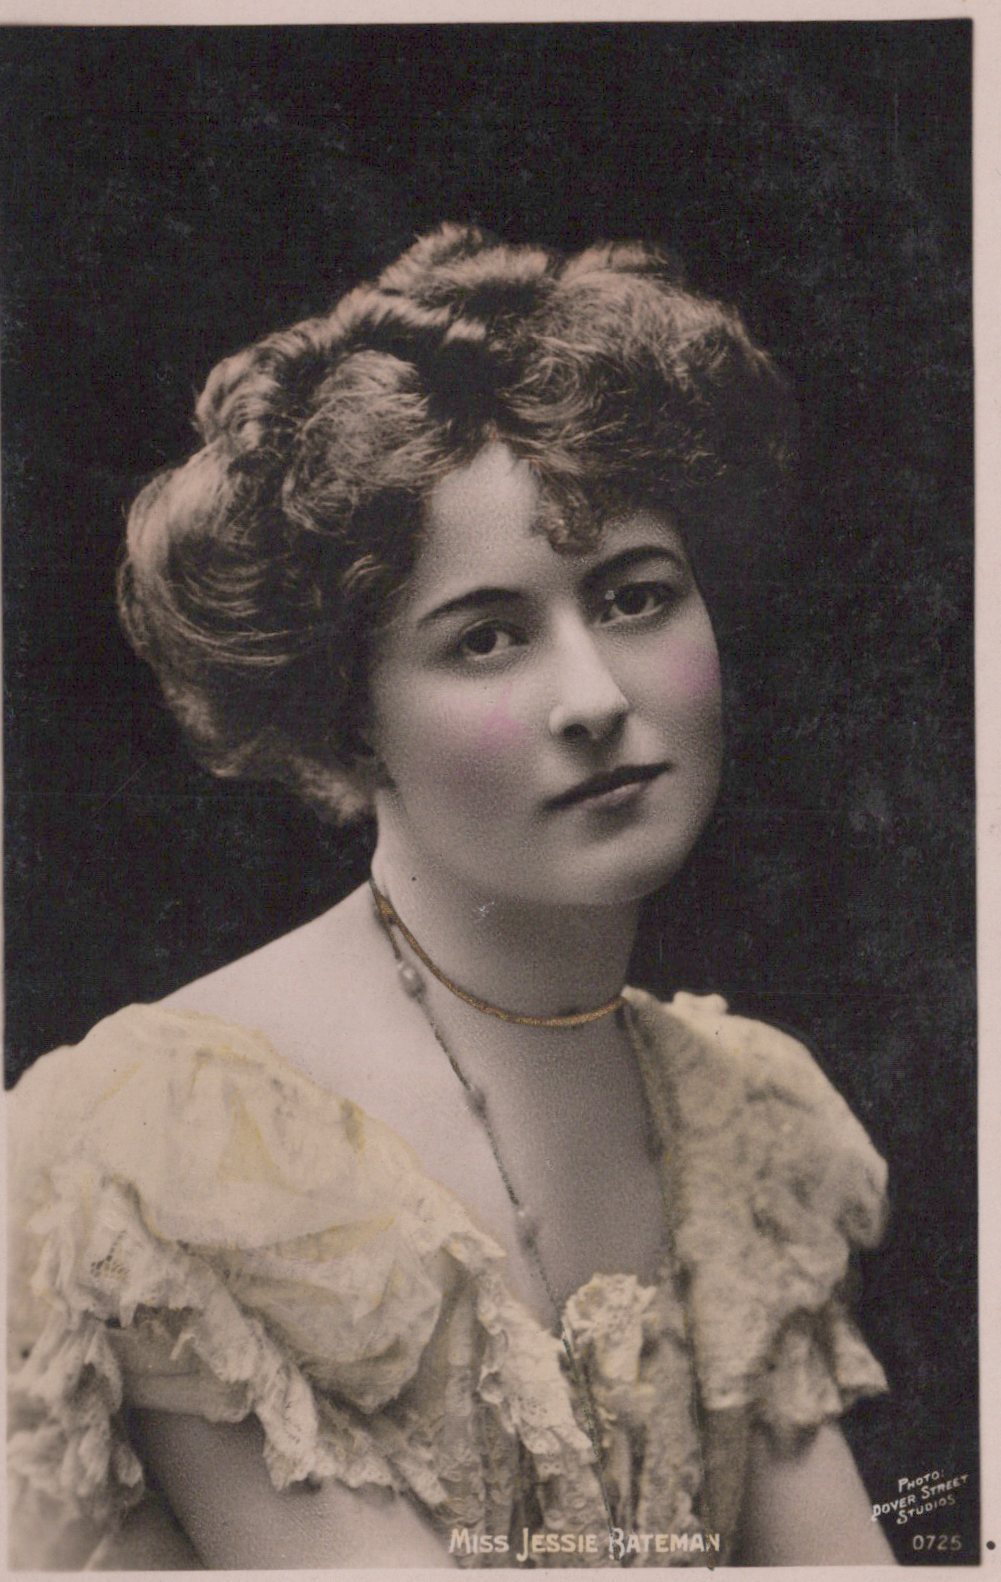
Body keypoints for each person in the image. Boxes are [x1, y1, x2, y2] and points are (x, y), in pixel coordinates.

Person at [8, 224, 895, 1569]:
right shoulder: (180, 1149)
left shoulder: (737, 1119)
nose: (596, 697)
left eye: (636, 595)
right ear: (346, 718)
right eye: (485, 635)